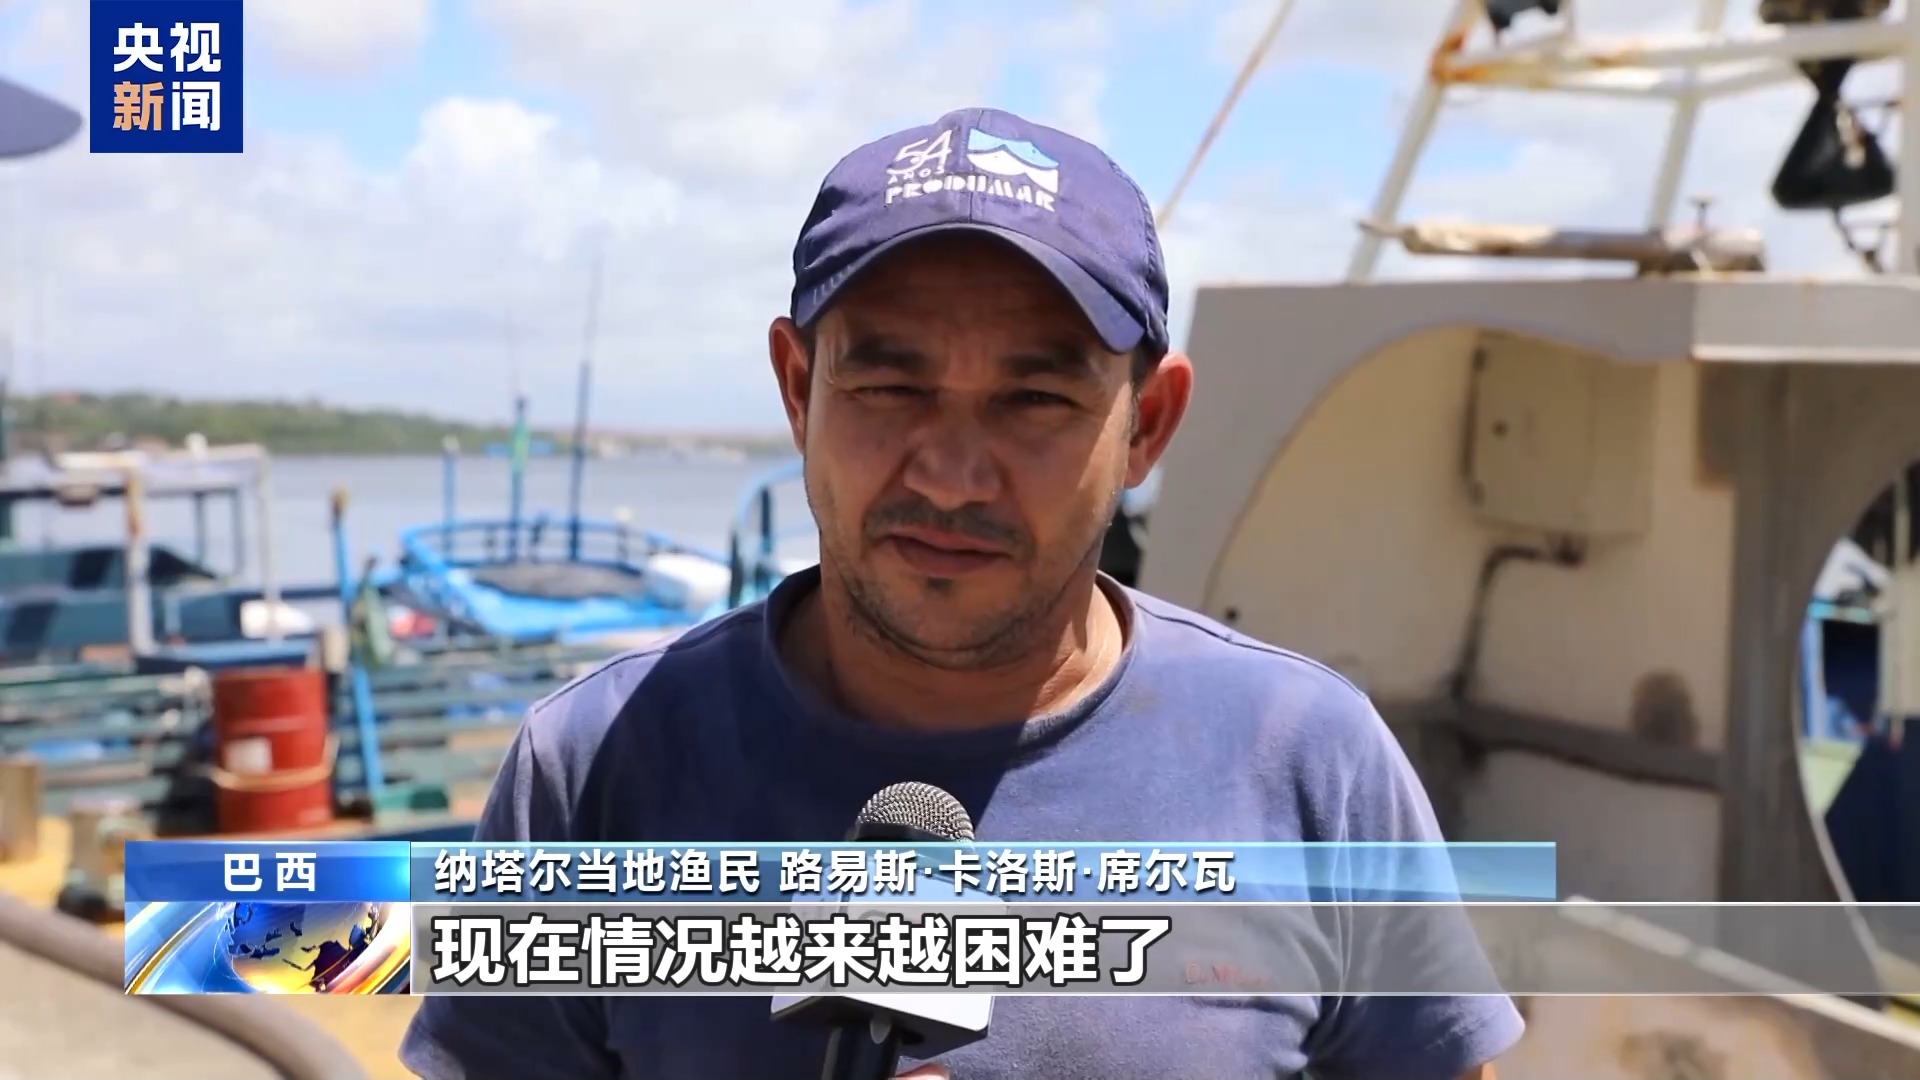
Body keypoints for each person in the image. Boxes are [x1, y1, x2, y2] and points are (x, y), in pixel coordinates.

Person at [400, 106, 1524, 1080]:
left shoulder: (1312, 764)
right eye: (890, 385)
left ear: (1149, 425)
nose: (948, 475)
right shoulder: (592, 768)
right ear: (798, 389)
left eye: (1034, 401)